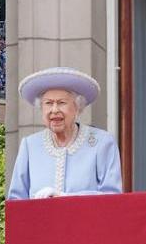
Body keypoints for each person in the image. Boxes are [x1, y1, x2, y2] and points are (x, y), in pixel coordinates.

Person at [7, 67, 123, 199]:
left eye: (61, 103)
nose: (54, 110)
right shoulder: (30, 145)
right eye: (48, 103)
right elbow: (16, 201)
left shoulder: (102, 142)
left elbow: (112, 197)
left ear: (77, 108)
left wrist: (65, 197)